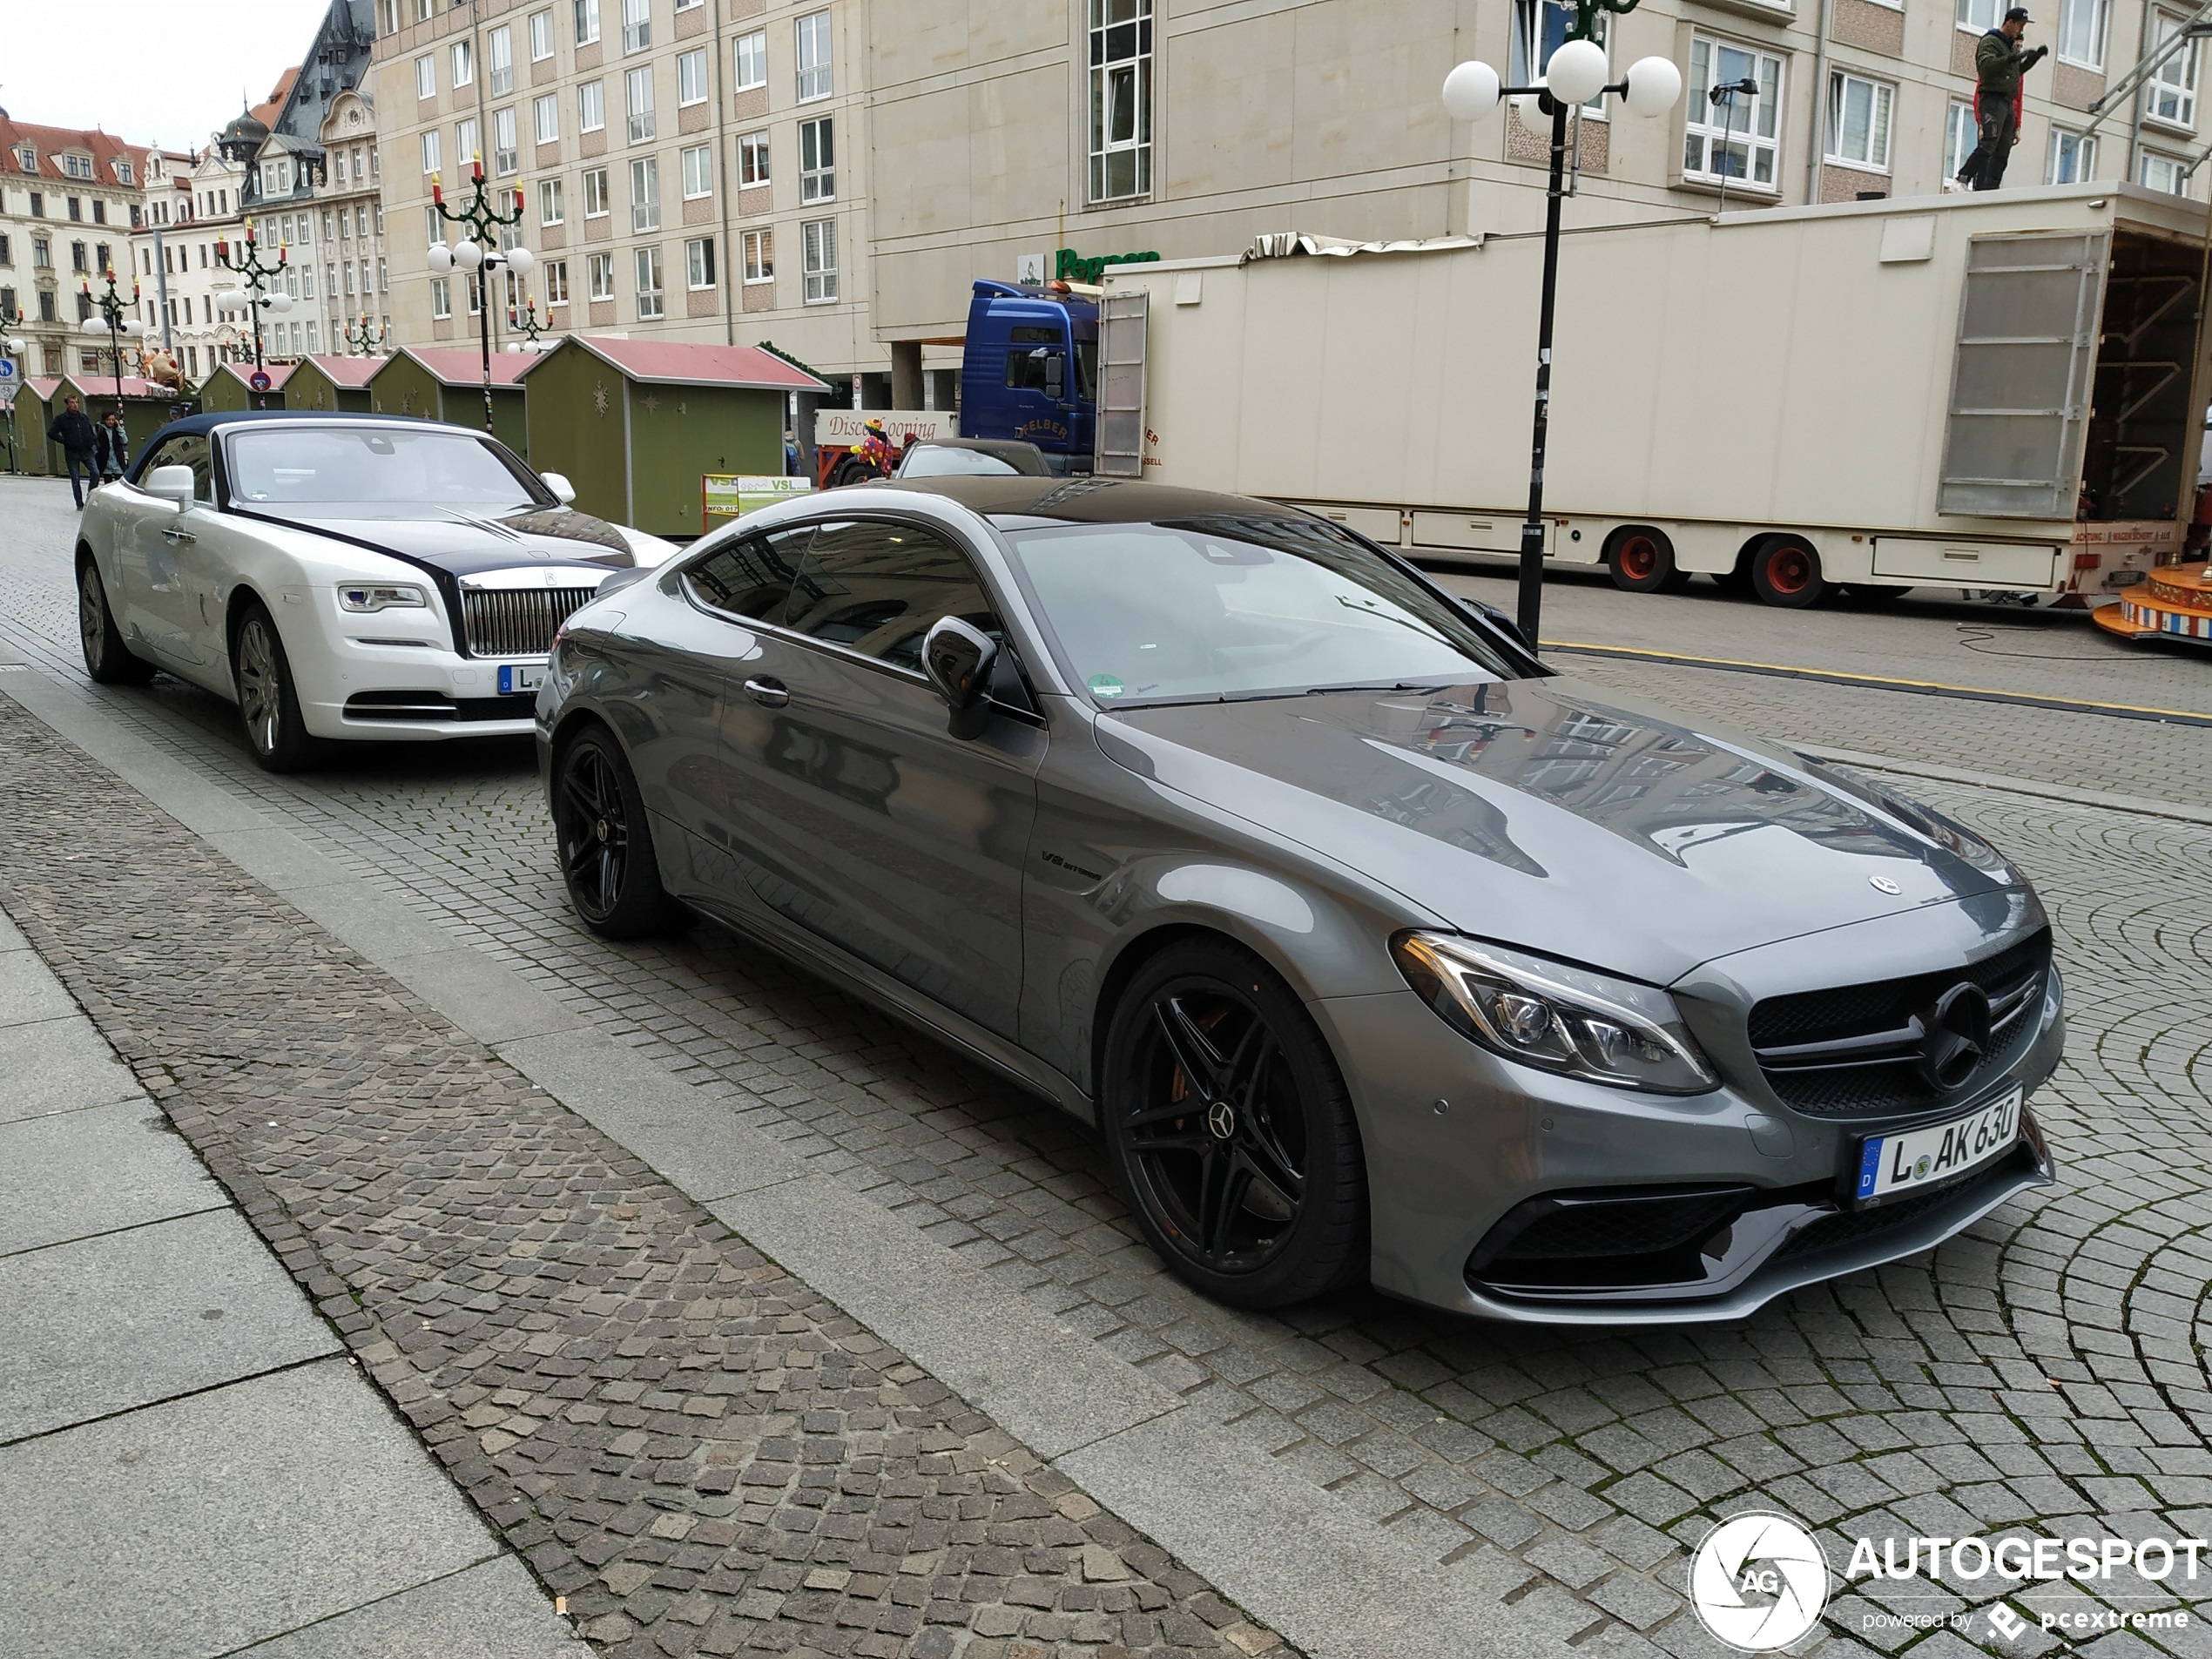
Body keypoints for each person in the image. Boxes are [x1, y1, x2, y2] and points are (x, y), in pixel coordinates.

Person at [1957, 8, 2047, 191]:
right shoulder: (1991, 41)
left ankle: (1991, 187)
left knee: (2003, 148)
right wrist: (2012, 57)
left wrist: (2033, 58)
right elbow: (1987, 65)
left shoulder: (2010, 46)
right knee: (1989, 141)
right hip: (1992, 98)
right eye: (2019, 26)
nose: (2020, 31)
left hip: (2007, 103)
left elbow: (2016, 72)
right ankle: (1963, 177)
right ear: (2010, 22)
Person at [48, 395, 98, 509]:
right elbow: (51, 433)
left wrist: (92, 441)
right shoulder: (61, 419)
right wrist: (65, 441)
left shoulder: (83, 417)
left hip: (87, 450)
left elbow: (89, 431)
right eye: (72, 402)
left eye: (76, 402)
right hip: (72, 452)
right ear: (67, 404)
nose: (75, 405)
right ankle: (79, 504)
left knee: (95, 473)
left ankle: (90, 496)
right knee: (76, 479)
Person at [94, 410, 130, 482]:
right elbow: (94, 442)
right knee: (108, 482)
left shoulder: (116, 429)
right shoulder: (99, 429)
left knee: (119, 482)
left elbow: (125, 440)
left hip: (117, 460)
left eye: (113, 420)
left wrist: (119, 427)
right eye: (108, 420)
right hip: (105, 461)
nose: (111, 422)